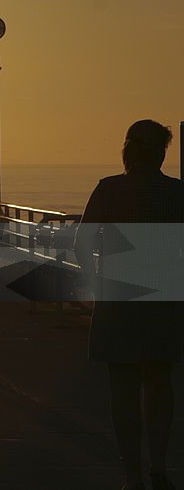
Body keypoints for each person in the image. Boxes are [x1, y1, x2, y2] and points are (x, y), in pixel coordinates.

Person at [74, 120, 183, 490]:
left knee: (122, 388)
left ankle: (131, 474)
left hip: (118, 300)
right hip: (164, 301)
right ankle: (158, 465)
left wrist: (95, 283)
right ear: (161, 153)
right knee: (160, 383)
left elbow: (82, 243)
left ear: (129, 150)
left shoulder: (109, 190)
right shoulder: (177, 193)